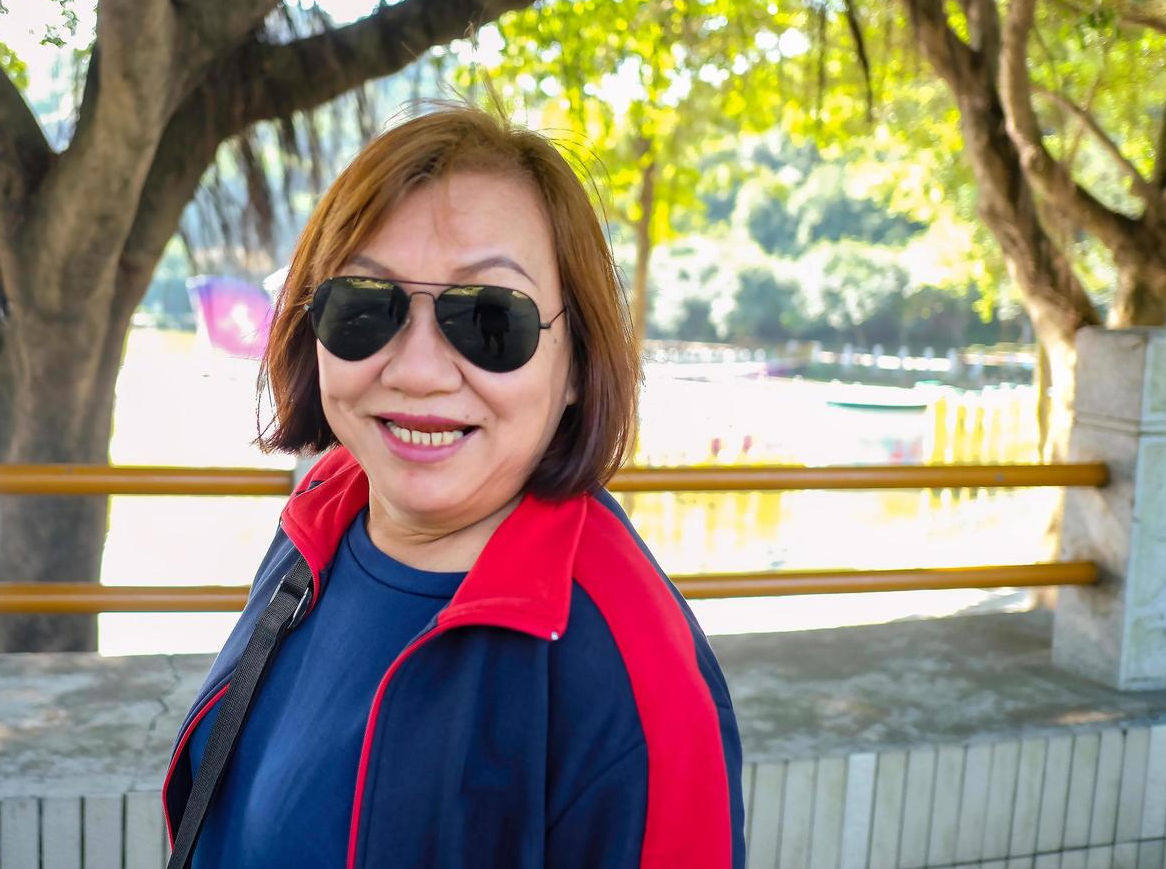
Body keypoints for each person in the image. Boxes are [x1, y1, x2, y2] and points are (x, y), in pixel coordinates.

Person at [162, 105, 745, 868]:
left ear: (576, 363)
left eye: (489, 321)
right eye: (366, 306)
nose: (417, 371)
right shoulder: (325, 519)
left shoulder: (636, 681)